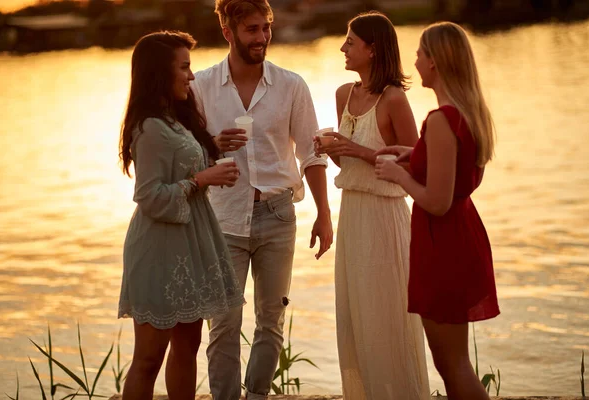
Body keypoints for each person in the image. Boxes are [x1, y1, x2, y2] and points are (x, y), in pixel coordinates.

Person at [190, 0, 334, 399]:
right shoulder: (200, 86)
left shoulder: (291, 85)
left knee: (271, 320)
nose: (262, 38)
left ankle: (256, 396)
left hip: (277, 214)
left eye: (265, 28)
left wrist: (324, 213)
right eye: (252, 30)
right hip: (221, 220)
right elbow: (185, 157)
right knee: (222, 323)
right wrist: (213, 145)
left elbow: (311, 153)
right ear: (228, 31)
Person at [375, 21, 500, 400]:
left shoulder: (443, 119)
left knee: (452, 363)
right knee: (451, 361)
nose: (414, 60)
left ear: (436, 62)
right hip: (459, 236)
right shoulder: (465, 114)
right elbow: (453, 172)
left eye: (420, 53)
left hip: (444, 243)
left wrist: (398, 175)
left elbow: (437, 201)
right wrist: (415, 156)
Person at [117, 31, 245, 400]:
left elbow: (179, 169)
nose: (192, 76)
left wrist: (212, 150)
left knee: (188, 347)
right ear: (160, 72)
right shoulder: (149, 127)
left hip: (188, 249)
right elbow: (150, 197)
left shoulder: (172, 118)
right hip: (158, 252)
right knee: (148, 358)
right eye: (185, 67)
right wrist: (202, 178)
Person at [314, 11, 430, 399]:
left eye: (350, 41)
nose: (343, 48)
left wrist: (357, 150)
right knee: (357, 314)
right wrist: (331, 150)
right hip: (353, 217)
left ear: (372, 49)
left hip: (386, 217)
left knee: (388, 314)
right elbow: (349, 164)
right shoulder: (343, 94)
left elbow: (416, 162)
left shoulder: (394, 98)